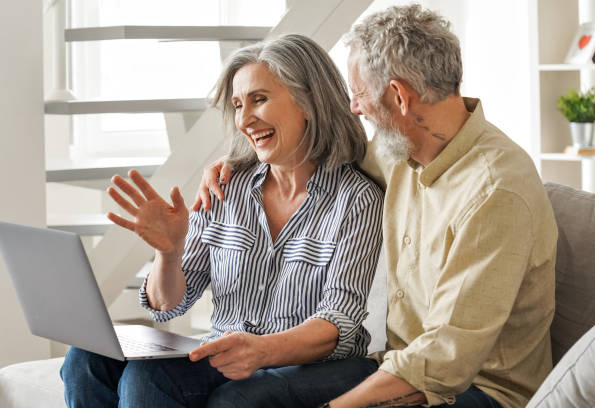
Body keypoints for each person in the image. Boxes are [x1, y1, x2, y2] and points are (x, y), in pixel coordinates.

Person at [194, 5, 558, 408]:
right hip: (396, 364)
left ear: (399, 96)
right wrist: (237, 162)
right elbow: (325, 154)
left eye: (361, 93)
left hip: (473, 388)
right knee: (241, 399)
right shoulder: (404, 149)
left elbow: (446, 355)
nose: (354, 108)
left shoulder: (495, 190)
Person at [60, 34, 384, 408]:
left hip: (310, 366)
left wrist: (261, 350)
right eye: (237, 105)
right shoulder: (227, 189)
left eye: (259, 100)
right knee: (84, 358)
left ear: (309, 101)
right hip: (228, 355)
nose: (245, 120)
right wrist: (169, 252)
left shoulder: (356, 199)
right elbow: (169, 305)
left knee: (150, 377)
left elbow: (339, 322)